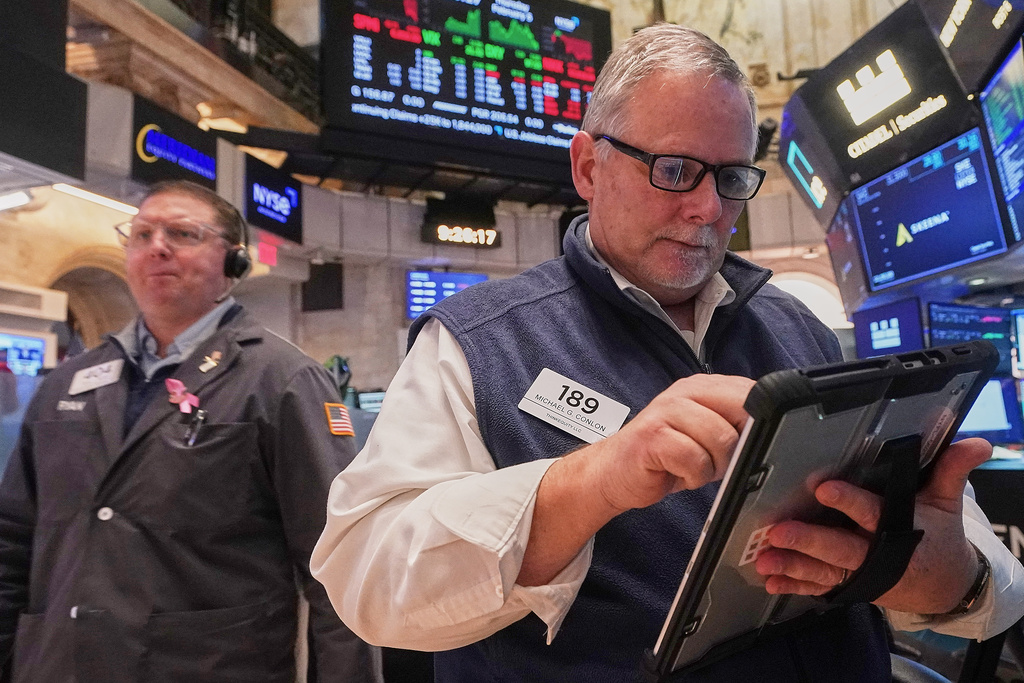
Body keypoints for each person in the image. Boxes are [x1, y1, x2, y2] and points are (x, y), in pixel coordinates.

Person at [312, 24, 1024, 682]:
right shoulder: (474, 342)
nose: (710, 210)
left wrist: (946, 575)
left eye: (733, 178)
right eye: (677, 170)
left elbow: (986, 583)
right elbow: (364, 575)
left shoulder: (799, 328)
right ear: (588, 166)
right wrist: (592, 482)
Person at [0, 180, 380, 682]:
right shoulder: (70, 382)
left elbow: (338, 565)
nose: (157, 246)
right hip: (57, 665)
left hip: (204, 666)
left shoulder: (281, 380)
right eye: (141, 234)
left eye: (183, 233)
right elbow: (13, 538)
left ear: (234, 263)